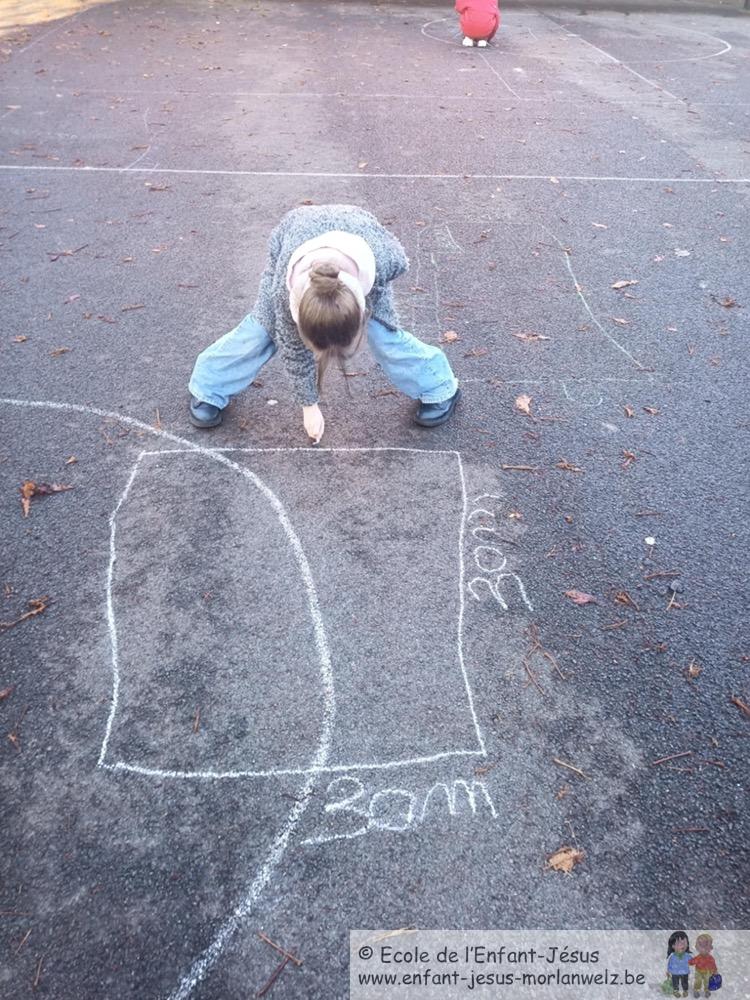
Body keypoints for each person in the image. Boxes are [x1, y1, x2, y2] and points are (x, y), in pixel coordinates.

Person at [188, 204, 460, 442]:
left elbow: (400, 260)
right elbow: (294, 350)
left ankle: (439, 387)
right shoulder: (284, 292)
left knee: (384, 334)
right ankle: (208, 387)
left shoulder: (383, 260)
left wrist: (368, 298)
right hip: (294, 237)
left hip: (359, 242)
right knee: (261, 331)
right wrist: (309, 405)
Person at [688, 934, 718, 998]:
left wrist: (715, 971)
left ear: (709, 948)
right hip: (698, 971)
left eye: (705, 948)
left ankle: (707, 990)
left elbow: (713, 965)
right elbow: (693, 961)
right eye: (700, 947)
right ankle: (696, 990)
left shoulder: (710, 958)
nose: (703, 950)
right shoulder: (698, 957)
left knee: (707, 981)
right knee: (698, 981)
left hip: (707, 971)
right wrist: (690, 962)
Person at [666, 931, 692, 999]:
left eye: (684, 942)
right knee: (675, 982)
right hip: (675, 972)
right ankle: (675, 991)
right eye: (679, 943)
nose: (682, 945)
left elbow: (692, 961)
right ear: (673, 946)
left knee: (685, 982)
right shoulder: (673, 957)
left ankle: (685, 990)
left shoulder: (687, 955)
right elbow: (670, 964)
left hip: (684, 972)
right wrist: (668, 971)